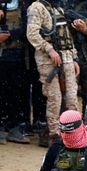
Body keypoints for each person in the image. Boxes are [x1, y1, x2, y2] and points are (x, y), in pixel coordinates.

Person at [26, 0, 80, 148]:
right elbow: (32, 33)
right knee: (54, 98)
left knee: (72, 98)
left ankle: (73, 132)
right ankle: (54, 135)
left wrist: (74, 57)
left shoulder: (58, 8)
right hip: (47, 59)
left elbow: (66, 36)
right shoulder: (37, 7)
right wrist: (49, 49)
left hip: (66, 57)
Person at [0, 0, 31, 144]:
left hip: (17, 56)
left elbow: (27, 28)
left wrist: (10, 34)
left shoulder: (23, 5)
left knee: (16, 93)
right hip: (2, 56)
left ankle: (14, 128)